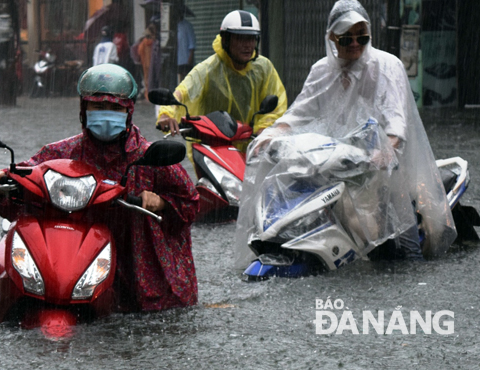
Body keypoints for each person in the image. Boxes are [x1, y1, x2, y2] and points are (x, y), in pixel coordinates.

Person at [234, 0, 456, 267]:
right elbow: (299, 112)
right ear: (331, 37)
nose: (354, 44)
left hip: (388, 166)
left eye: (361, 37)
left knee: (404, 246)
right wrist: (271, 134)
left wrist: (386, 150)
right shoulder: (322, 70)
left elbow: (396, 120)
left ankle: (413, 274)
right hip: (341, 159)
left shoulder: (387, 66)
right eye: (346, 38)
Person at [0, 64, 199, 312]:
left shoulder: (148, 157)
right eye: (98, 107)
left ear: (128, 113)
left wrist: (160, 202)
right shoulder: (62, 153)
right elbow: (25, 177)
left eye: (115, 108)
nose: (107, 114)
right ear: (84, 110)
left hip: (142, 277)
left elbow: (191, 203)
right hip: (76, 265)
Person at [156, 10, 287, 155]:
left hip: (254, 149)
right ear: (225, 40)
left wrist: (264, 130)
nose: (248, 45)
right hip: (214, 149)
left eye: (251, 39)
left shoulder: (264, 68)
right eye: (240, 39)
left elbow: (277, 104)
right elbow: (183, 91)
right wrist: (166, 114)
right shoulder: (208, 69)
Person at [176, 5, 196, 82]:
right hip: (178, 61)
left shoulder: (187, 26)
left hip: (186, 60)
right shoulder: (175, 26)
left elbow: (192, 45)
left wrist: (189, 60)